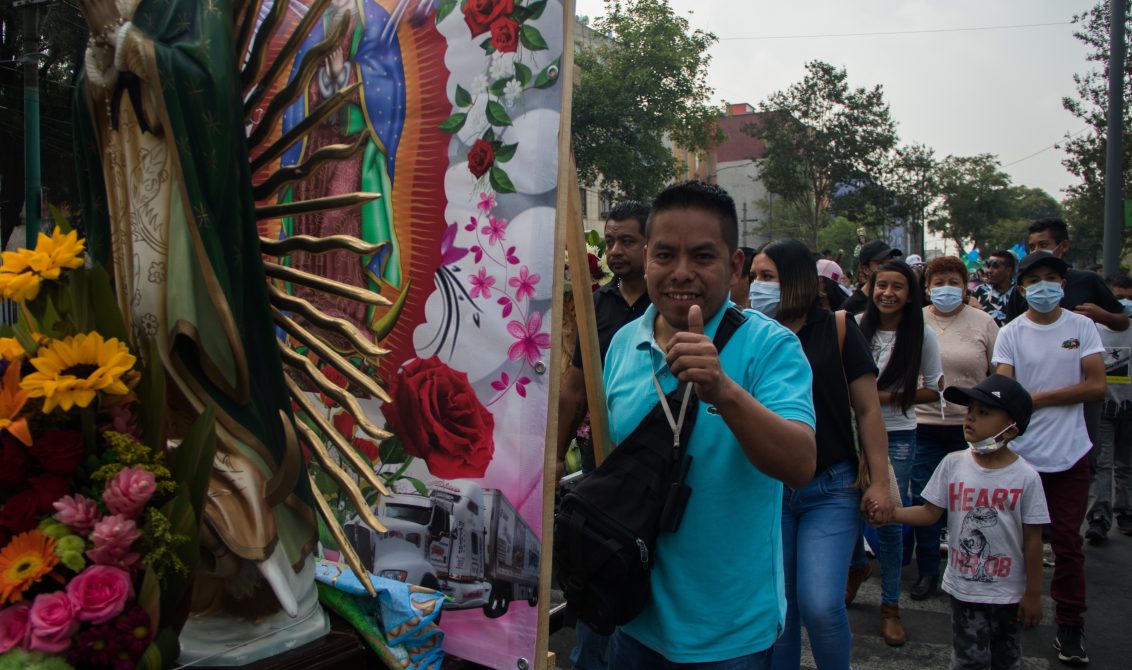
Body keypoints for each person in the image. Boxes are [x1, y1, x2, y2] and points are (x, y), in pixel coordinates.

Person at [74, 0, 320, 628]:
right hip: (132, 216)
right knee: (132, 369)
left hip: (190, 241)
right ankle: (159, 547)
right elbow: (94, 120)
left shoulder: (192, 5)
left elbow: (207, 86)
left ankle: (237, 540)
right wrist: (102, 61)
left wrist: (133, 46)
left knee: (188, 368)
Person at [603, 181, 816, 668]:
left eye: (702, 256)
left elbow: (801, 464)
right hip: (633, 619)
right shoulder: (622, 346)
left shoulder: (772, 347)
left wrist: (722, 389)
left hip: (731, 633)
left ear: (735, 265)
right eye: (665, 255)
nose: (681, 273)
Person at [750, 240, 893, 670]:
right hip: (769, 490)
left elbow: (868, 410)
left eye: (767, 277)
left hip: (831, 488)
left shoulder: (839, 327)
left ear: (796, 280)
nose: (756, 286)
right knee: (782, 609)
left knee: (820, 604)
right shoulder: (749, 333)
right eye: (754, 276)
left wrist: (882, 482)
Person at [871, 375, 1048, 670]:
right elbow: (930, 512)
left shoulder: (1026, 477)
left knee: (1006, 659)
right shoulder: (953, 464)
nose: (971, 419)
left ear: (1011, 429)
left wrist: (1032, 594)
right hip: (964, 589)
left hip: (1008, 594)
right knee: (968, 659)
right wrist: (892, 514)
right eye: (970, 411)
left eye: (984, 413)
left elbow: (1032, 539)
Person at [993, 250, 1106, 666]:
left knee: (1068, 544)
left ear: (1063, 284)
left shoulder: (1082, 327)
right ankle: (1008, 613)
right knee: (1013, 541)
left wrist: (1036, 399)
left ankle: (1071, 625)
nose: (1044, 286)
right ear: (1022, 288)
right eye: (1034, 280)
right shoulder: (1011, 333)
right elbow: (1005, 393)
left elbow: (1096, 386)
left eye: (1052, 278)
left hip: (1070, 454)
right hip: (1021, 456)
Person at [554, 201, 651, 670]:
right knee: (598, 578)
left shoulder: (673, 304)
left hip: (657, 473)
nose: (615, 251)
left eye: (626, 241)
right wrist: (556, 456)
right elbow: (575, 388)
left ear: (651, 245)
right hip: (602, 471)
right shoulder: (598, 306)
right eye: (609, 241)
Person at [851, 259, 943, 646]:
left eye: (898, 287)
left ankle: (890, 607)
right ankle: (857, 568)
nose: (888, 293)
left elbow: (933, 389)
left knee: (887, 519)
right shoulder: (853, 326)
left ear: (910, 294)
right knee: (844, 511)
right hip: (849, 434)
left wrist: (882, 397)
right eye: (881, 285)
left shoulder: (923, 335)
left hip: (898, 438)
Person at [911, 256, 999, 601]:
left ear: (965, 286)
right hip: (922, 423)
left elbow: (999, 375)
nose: (946, 289)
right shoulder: (914, 321)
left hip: (971, 429)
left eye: (953, 282)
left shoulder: (984, 322)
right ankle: (928, 570)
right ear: (927, 287)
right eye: (938, 282)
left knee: (969, 502)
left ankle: (965, 566)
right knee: (926, 499)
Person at [1085, 275, 1132, 542]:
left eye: (1129, 297)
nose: (1124, 303)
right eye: (1118, 297)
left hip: (1129, 408)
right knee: (1102, 464)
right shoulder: (1093, 331)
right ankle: (1099, 517)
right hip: (1102, 409)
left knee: (1125, 464)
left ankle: (1125, 510)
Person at [843, 240, 902, 315]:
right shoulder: (851, 307)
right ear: (865, 269)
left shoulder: (899, 298)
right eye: (881, 263)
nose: (888, 267)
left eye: (891, 261)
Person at [973, 249, 1017, 326]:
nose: (989, 270)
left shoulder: (1019, 293)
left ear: (1008, 271)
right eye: (988, 266)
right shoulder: (979, 291)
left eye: (995, 267)